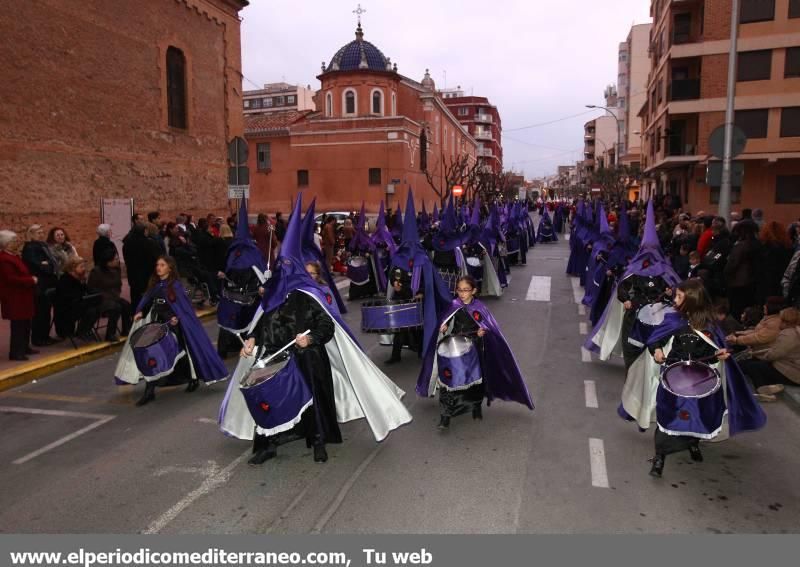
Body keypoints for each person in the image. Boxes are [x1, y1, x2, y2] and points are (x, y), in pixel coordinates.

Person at [219, 195, 411, 465]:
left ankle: (318, 441)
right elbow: (263, 325)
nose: (283, 273)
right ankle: (267, 444)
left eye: (287, 268)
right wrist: (251, 340)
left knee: (313, 403)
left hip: (307, 358)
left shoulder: (309, 296)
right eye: (280, 268)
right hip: (275, 357)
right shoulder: (273, 295)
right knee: (268, 398)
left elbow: (326, 326)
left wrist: (310, 339)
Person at [642, 279, 766, 477]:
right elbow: (656, 338)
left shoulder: (711, 326)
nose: (675, 299)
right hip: (674, 376)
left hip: (701, 380)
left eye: (680, 297)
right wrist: (656, 349)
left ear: (692, 300)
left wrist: (721, 354)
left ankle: (692, 443)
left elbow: (717, 348)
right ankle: (660, 457)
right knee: (668, 415)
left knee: (698, 415)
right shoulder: (673, 319)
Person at [417, 275, 534, 429]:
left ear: (474, 291)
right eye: (459, 290)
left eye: (466, 290)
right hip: (455, 346)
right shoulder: (454, 305)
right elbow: (447, 323)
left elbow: (488, 327)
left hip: (474, 347)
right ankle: (445, 416)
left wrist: (482, 332)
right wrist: (444, 328)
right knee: (448, 381)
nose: (462, 293)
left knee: (474, 381)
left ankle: (475, 407)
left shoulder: (479, 307)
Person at [114, 256, 228, 406]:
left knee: (183, 354)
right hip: (158, 325)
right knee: (152, 354)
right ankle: (150, 391)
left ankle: (192, 378)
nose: (158, 267)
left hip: (175, 326)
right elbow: (149, 302)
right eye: (157, 265)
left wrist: (177, 317)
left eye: (162, 265)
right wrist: (141, 311)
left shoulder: (176, 286)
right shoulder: (155, 285)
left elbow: (183, 307)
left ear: (170, 268)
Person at [739, 308, 800, 402]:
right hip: (792, 369)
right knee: (756, 365)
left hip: (791, 373)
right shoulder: (795, 331)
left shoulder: (789, 334)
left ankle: (762, 391)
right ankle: (764, 387)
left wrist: (763, 357)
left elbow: (774, 354)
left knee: (753, 366)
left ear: (785, 320)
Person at [0, 230, 38, 360]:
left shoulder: (14, 256)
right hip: (14, 297)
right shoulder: (4, 259)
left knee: (26, 322)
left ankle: (25, 347)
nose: (17, 242)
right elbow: (11, 279)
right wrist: (30, 280)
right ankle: (16, 352)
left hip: (23, 295)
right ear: (7, 243)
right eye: (14, 240)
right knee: (18, 325)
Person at [21, 224, 59, 346]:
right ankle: (38, 339)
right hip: (39, 285)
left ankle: (45, 336)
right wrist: (47, 265)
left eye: (42, 232)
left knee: (46, 312)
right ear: (31, 234)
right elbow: (37, 265)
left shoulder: (43, 245)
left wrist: (48, 264)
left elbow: (52, 263)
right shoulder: (30, 247)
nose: (41, 234)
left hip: (47, 283)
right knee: (40, 313)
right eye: (38, 233)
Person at [53, 257, 103, 341]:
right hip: (66, 310)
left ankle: (84, 330)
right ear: (72, 268)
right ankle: (82, 332)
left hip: (77, 305)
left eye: (84, 266)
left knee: (98, 307)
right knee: (91, 311)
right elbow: (70, 298)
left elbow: (87, 291)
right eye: (81, 267)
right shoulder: (65, 279)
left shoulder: (79, 278)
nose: (84, 269)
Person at [87, 251, 132, 341]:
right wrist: (106, 297)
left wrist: (115, 296)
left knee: (126, 304)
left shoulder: (116, 270)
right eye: (115, 259)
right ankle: (110, 334)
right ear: (108, 261)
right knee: (116, 307)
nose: (117, 260)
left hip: (114, 297)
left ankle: (126, 330)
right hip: (101, 300)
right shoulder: (96, 272)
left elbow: (118, 285)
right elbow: (91, 289)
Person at [122, 223, 161, 314]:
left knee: (135, 295)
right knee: (148, 296)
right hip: (147, 274)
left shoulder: (127, 243)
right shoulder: (149, 243)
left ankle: (135, 314)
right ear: (143, 231)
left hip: (133, 274)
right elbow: (157, 257)